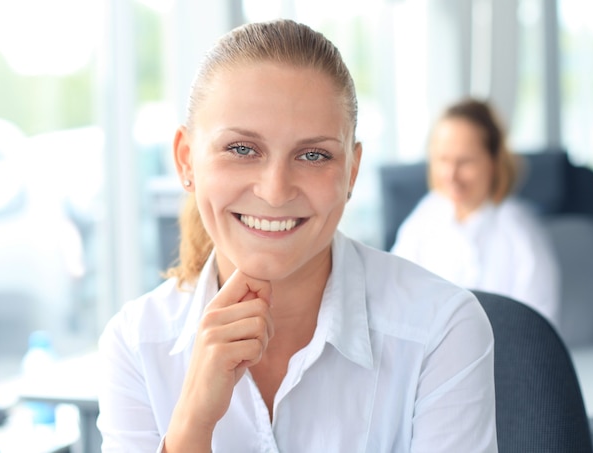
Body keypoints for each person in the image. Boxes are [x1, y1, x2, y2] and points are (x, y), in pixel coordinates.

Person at [97, 20, 497, 452]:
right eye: (242, 149)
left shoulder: (439, 330)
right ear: (186, 160)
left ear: (352, 171)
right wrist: (192, 422)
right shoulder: (136, 344)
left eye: (313, 155)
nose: (274, 191)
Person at [391, 98, 560, 327]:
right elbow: (394, 302)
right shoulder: (425, 218)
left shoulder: (519, 231)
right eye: (443, 159)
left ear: (494, 162)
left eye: (465, 162)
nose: (451, 175)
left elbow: (535, 334)